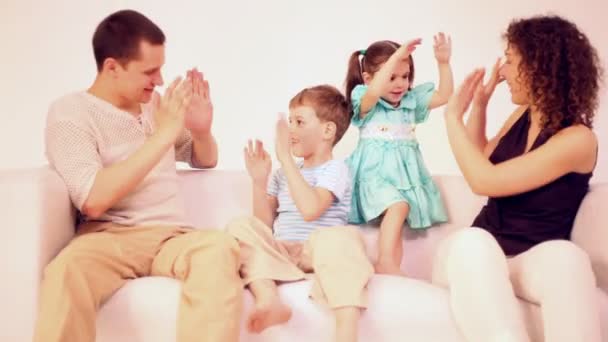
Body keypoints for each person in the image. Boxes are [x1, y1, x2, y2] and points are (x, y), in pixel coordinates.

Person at [34, 9, 243, 342]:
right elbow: (92, 199)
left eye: (160, 69)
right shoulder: (71, 112)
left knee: (219, 248)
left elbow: (205, 159)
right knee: (65, 272)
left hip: (172, 236)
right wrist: (163, 135)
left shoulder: (154, 106)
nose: (159, 80)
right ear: (112, 67)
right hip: (110, 237)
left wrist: (201, 132)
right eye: (150, 71)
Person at [435, 15, 603, 342]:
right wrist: (480, 107)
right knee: (475, 244)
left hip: (527, 264)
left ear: (540, 67)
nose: (504, 72)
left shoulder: (577, 139)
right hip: (474, 259)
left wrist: (452, 118)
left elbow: (485, 181)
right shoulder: (522, 116)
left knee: (568, 257)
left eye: (512, 61)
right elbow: (482, 161)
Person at [226, 85, 374, 342]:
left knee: (342, 238)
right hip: (284, 251)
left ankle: (346, 333)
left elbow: (311, 209)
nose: (290, 130)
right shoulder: (283, 174)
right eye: (290, 121)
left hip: (320, 250)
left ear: (327, 130)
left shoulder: (335, 169)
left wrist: (284, 158)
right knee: (240, 226)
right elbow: (263, 225)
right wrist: (259, 182)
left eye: (299, 122)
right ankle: (269, 300)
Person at [344, 34, 454, 275]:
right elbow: (373, 92)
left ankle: (391, 267)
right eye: (391, 77)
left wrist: (443, 63)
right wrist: (396, 57)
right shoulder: (365, 99)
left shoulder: (410, 101)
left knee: (400, 211)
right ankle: (384, 261)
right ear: (368, 78)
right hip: (373, 176)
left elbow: (444, 96)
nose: (399, 84)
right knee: (398, 206)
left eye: (405, 77)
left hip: (402, 178)